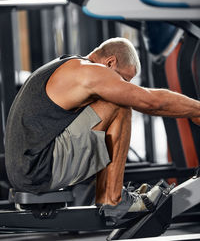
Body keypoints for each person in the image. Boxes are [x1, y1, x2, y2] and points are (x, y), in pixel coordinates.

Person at [5, 37, 200, 222]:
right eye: (124, 80)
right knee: (120, 106)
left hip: (30, 168)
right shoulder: (89, 72)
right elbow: (150, 101)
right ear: (109, 63)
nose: (125, 87)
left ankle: (111, 195)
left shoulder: (69, 66)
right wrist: (196, 109)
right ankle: (112, 200)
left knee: (114, 103)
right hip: (39, 170)